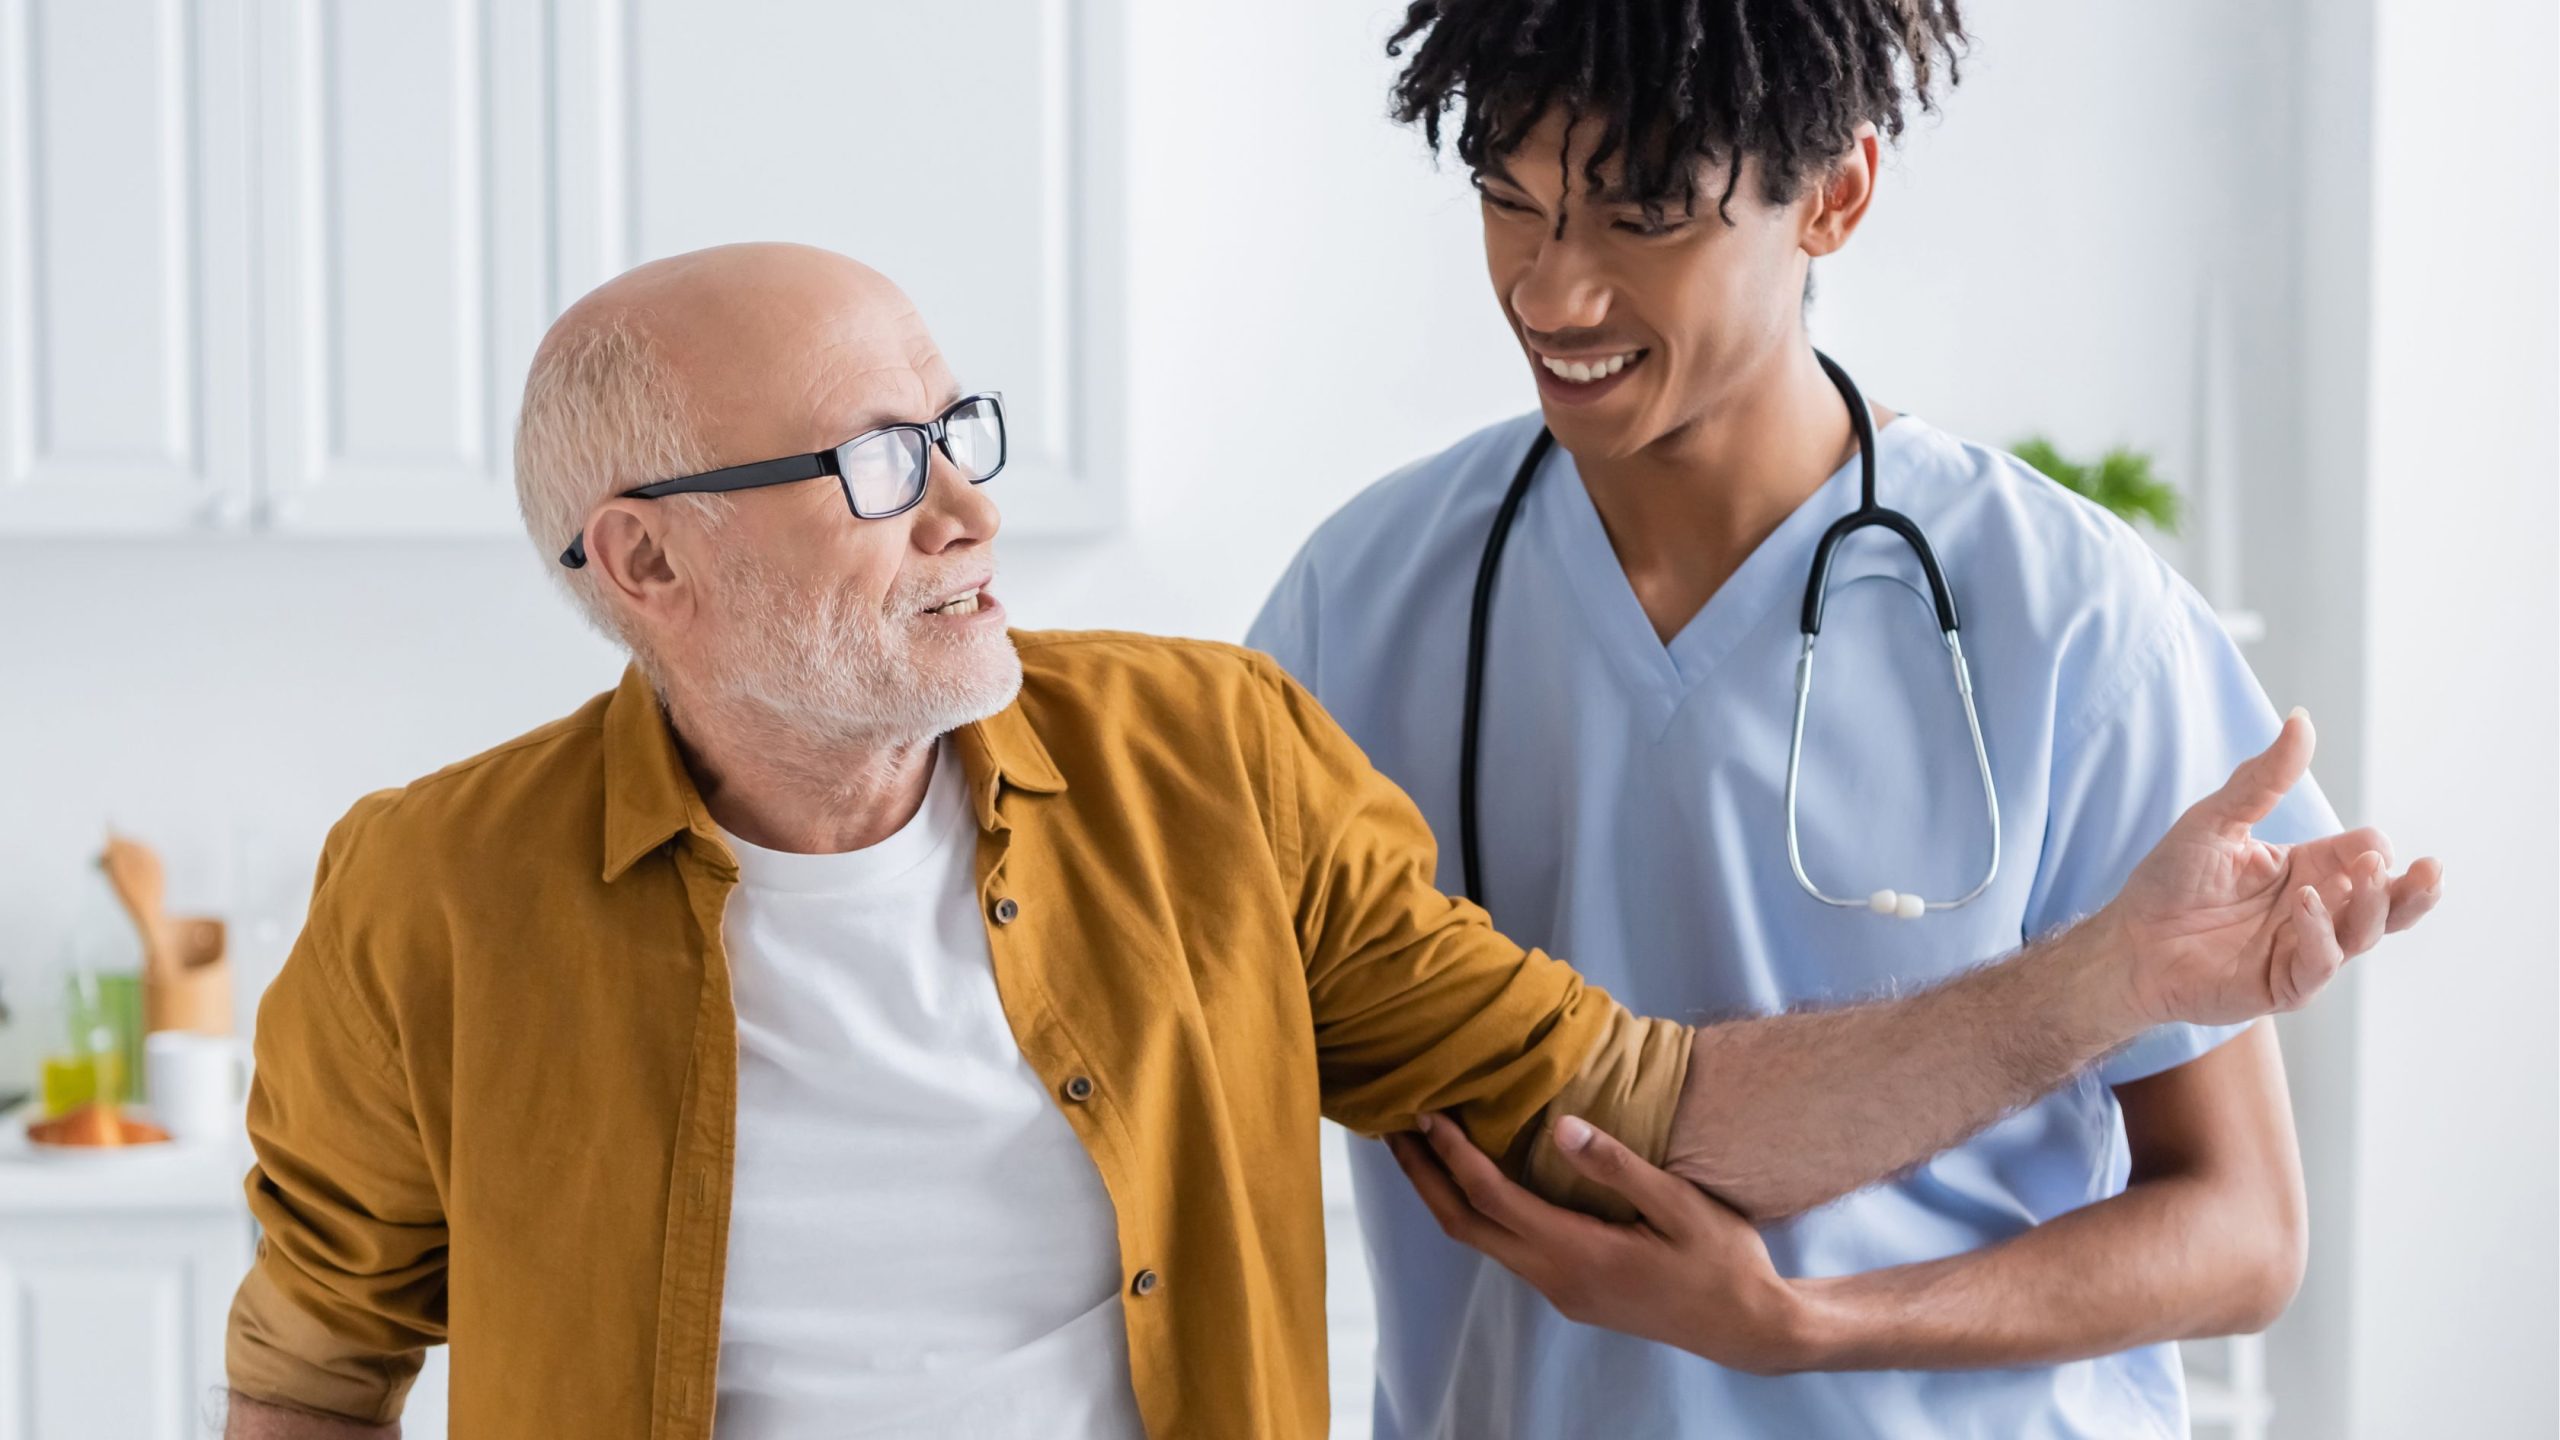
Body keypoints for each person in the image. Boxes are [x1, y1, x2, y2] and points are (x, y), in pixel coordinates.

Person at [220, 244, 2431, 1440]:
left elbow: (1648, 1102)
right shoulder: (430, 899)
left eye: (954, 427)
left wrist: (2104, 985)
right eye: (878, 463)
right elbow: (313, 1378)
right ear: (643, 567)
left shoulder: (1207, 762)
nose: (974, 510)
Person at [1244, 3, 2445, 1437]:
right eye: (1511, 201)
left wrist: (1800, 1331)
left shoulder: (2066, 612)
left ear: (1835, 196)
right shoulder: (1362, 601)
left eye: (1642, 219)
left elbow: (2245, 1230)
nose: (1553, 292)